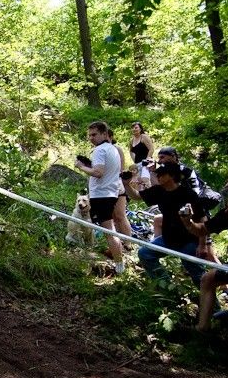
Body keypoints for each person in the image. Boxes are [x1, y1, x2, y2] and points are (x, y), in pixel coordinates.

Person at [124, 162, 207, 287]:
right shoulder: (159, 190)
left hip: (189, 240)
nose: (158, 177)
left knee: (197, 274)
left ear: (172, 176)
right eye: (158, 174)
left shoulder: (188, 194)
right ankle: (166, 287)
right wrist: (126, 184)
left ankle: (210, 299)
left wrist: (202, 244)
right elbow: (136, 196)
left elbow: (202, 219)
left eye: (162, 174)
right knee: (145, 253)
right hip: (168, 239)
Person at [74, 121, 125, 274]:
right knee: (110, 229)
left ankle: (119, 266)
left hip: (102, 195)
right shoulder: (113, 149)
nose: (91, 138)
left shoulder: (100, 150)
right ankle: (119, 261)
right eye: (89, 135)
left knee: (109, 231)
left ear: (104, 134)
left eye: (94, 134)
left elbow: (98, 172)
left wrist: (81, 166)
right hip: (110, 193)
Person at [180, 198, 228, 331]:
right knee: (208, 279)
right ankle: (203, 328)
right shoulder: (227, 214)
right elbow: (202, 229)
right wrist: (188, 222)